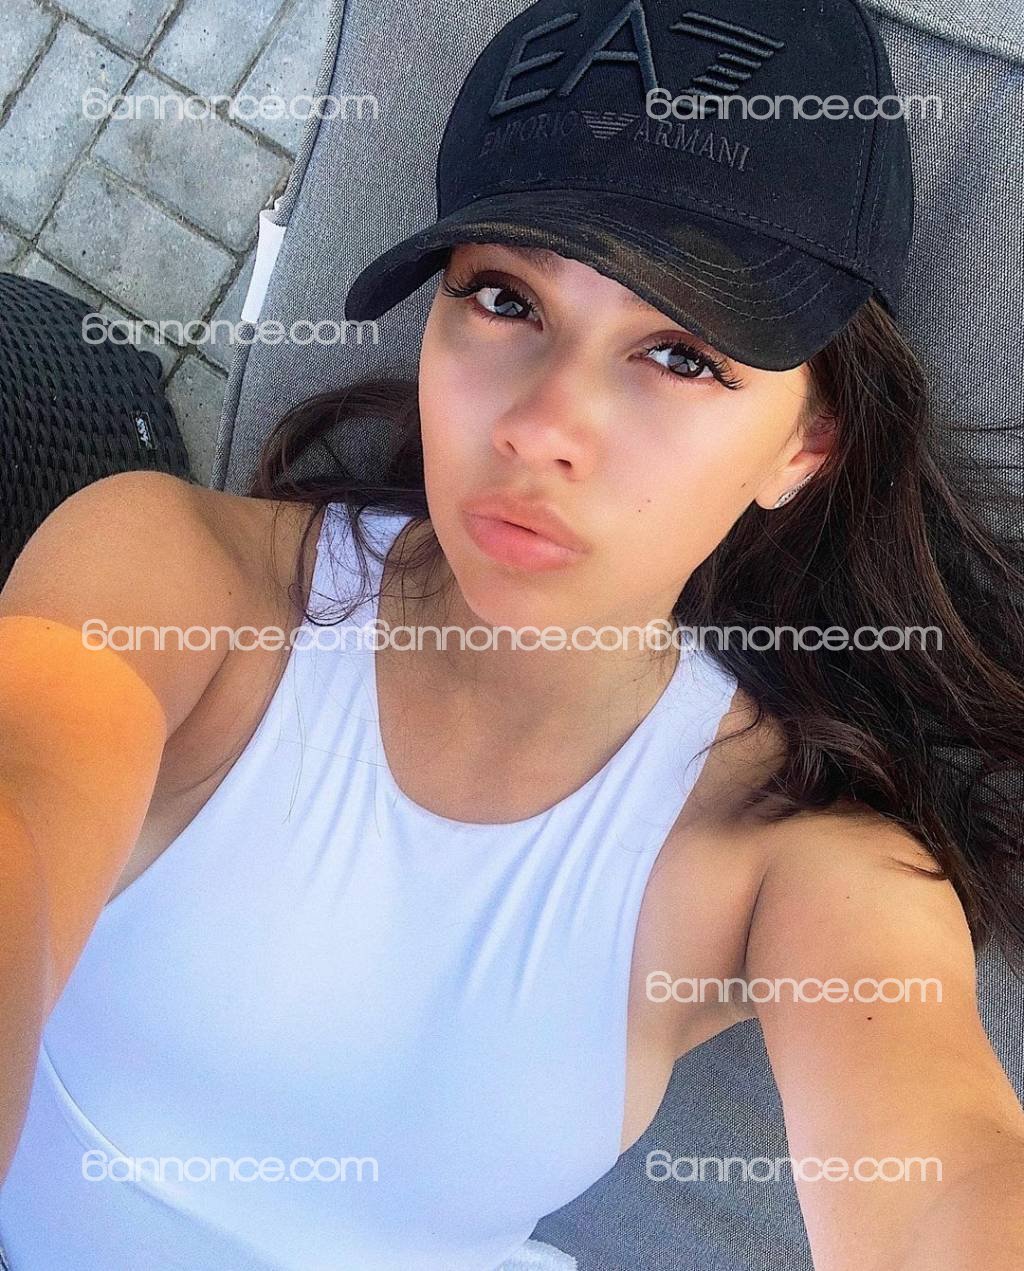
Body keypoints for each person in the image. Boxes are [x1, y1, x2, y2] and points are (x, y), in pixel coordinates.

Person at [2, 0, 1024, 1267]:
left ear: (805, 447)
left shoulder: (790, 857)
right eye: (503, 297)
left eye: (682, 356)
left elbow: (941, 1173)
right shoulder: (173, 581)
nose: (541, 426)